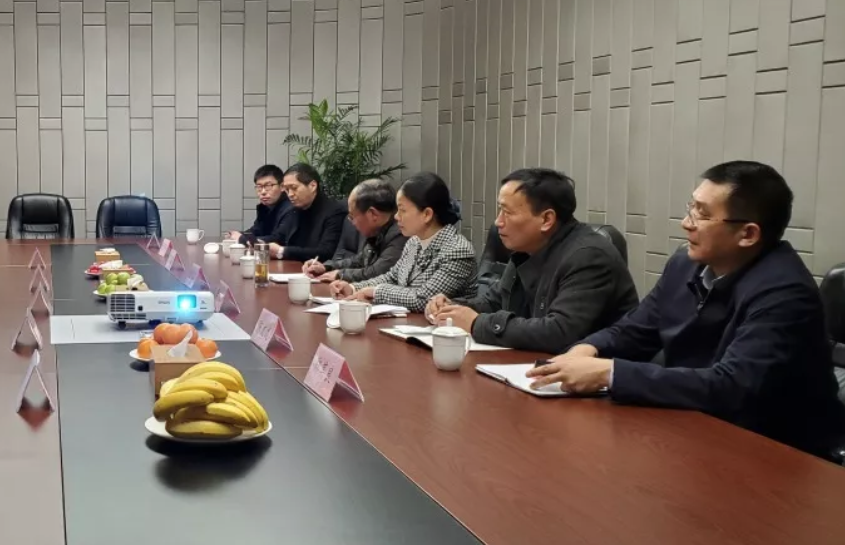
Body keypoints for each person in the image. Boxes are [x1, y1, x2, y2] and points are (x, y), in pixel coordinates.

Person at [528, 161, 845, 459]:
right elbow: (635, 330)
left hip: (778, 452)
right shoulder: (685, 265)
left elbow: (731, 386)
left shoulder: (785, 292)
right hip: (696, 430)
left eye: (702, 215)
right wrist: (588, 349)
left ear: (748, 234)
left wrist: (607, 373)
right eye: (691, 208)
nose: (686, 223)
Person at [428, 168, 637, 353]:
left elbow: (559, 332)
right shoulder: (527, 249)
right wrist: (452, 307)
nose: (498, 222)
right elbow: (494, 302)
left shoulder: (589, 256)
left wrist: (476, 323)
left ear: (546, 219)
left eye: (507, 212)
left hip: (593, 377)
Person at [333, 172, 476, 309]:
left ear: (427, 214)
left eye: (402, 210)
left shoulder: (457, 250)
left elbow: (424, 298)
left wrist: (376, 292)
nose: (396, 216)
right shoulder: (414, 242)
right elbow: (392, 277)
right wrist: (353, 288)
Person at [306, 179, 406, 284]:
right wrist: (327, 267)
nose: (352, 223)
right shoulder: (378, 231)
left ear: (373, 214)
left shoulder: (400, 235)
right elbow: (359, 261)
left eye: (352, 216)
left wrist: (340, 274)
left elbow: (377, 273)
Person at [266, 163, 347, 263]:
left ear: (312, 186)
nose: (290, 194)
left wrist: (282, 251)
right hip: (293, 266)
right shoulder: (295, 209)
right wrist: (257, 243)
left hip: (317, 269)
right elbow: (279, 236)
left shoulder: (334, 211)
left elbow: (326, 252)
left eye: (294, 188)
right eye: (287, 190)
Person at [226, 164, 293, 244]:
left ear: (282, 187)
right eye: (259, 186)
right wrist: (238, 234)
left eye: (268, 186)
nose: (263, 192)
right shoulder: (265, 208)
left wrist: (242, 238)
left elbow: (279, 239)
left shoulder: (290, 208)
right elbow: (256, 230)